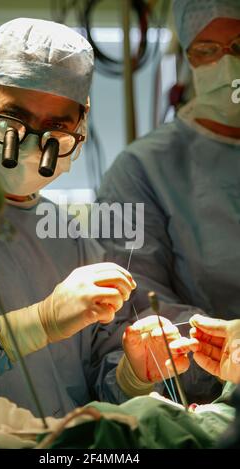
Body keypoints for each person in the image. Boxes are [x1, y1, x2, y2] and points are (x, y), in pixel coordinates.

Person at [0, 17, 149, 436]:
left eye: (56, 130)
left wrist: (133, 373)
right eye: (14, 121)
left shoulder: (70, 238)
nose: (34, 145)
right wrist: (39, 323)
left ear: (81, 123)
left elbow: (100, 389)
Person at [96, 0, 240, 403]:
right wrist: (225, 355)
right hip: (212, 405)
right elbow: (138, 314)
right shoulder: (141, 170)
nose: (227, 65)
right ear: (189, 59)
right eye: (207, 50)